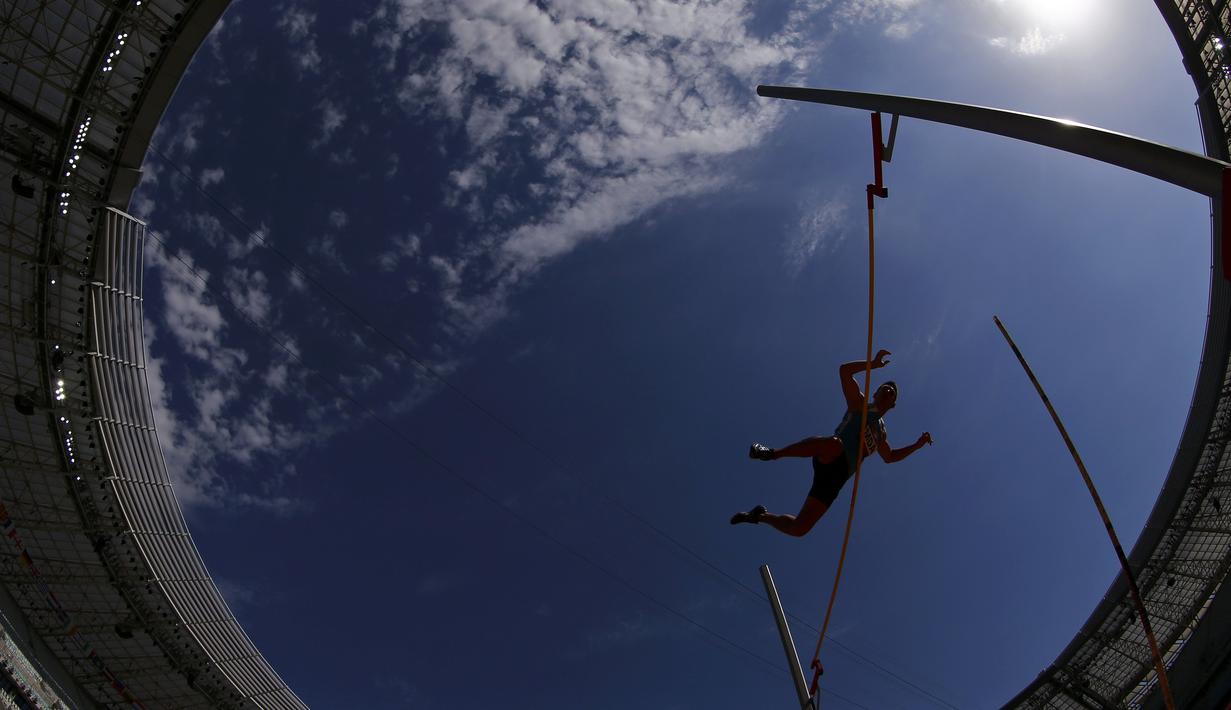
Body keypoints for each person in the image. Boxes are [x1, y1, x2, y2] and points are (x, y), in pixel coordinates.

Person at [731, 349, 932, 537]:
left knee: (800, 528)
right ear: (875, 393)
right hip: (830, 455)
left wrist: (918, 444)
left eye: (891, 393)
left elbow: (890, 457)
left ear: (893, 404)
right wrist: (872, 364)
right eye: (885, 388)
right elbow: (844, 371)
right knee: (835, 445)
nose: (888, 391)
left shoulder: (881, 433)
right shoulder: (859, 404)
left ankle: (759, 516)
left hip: (838, 478)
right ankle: (772, 454)